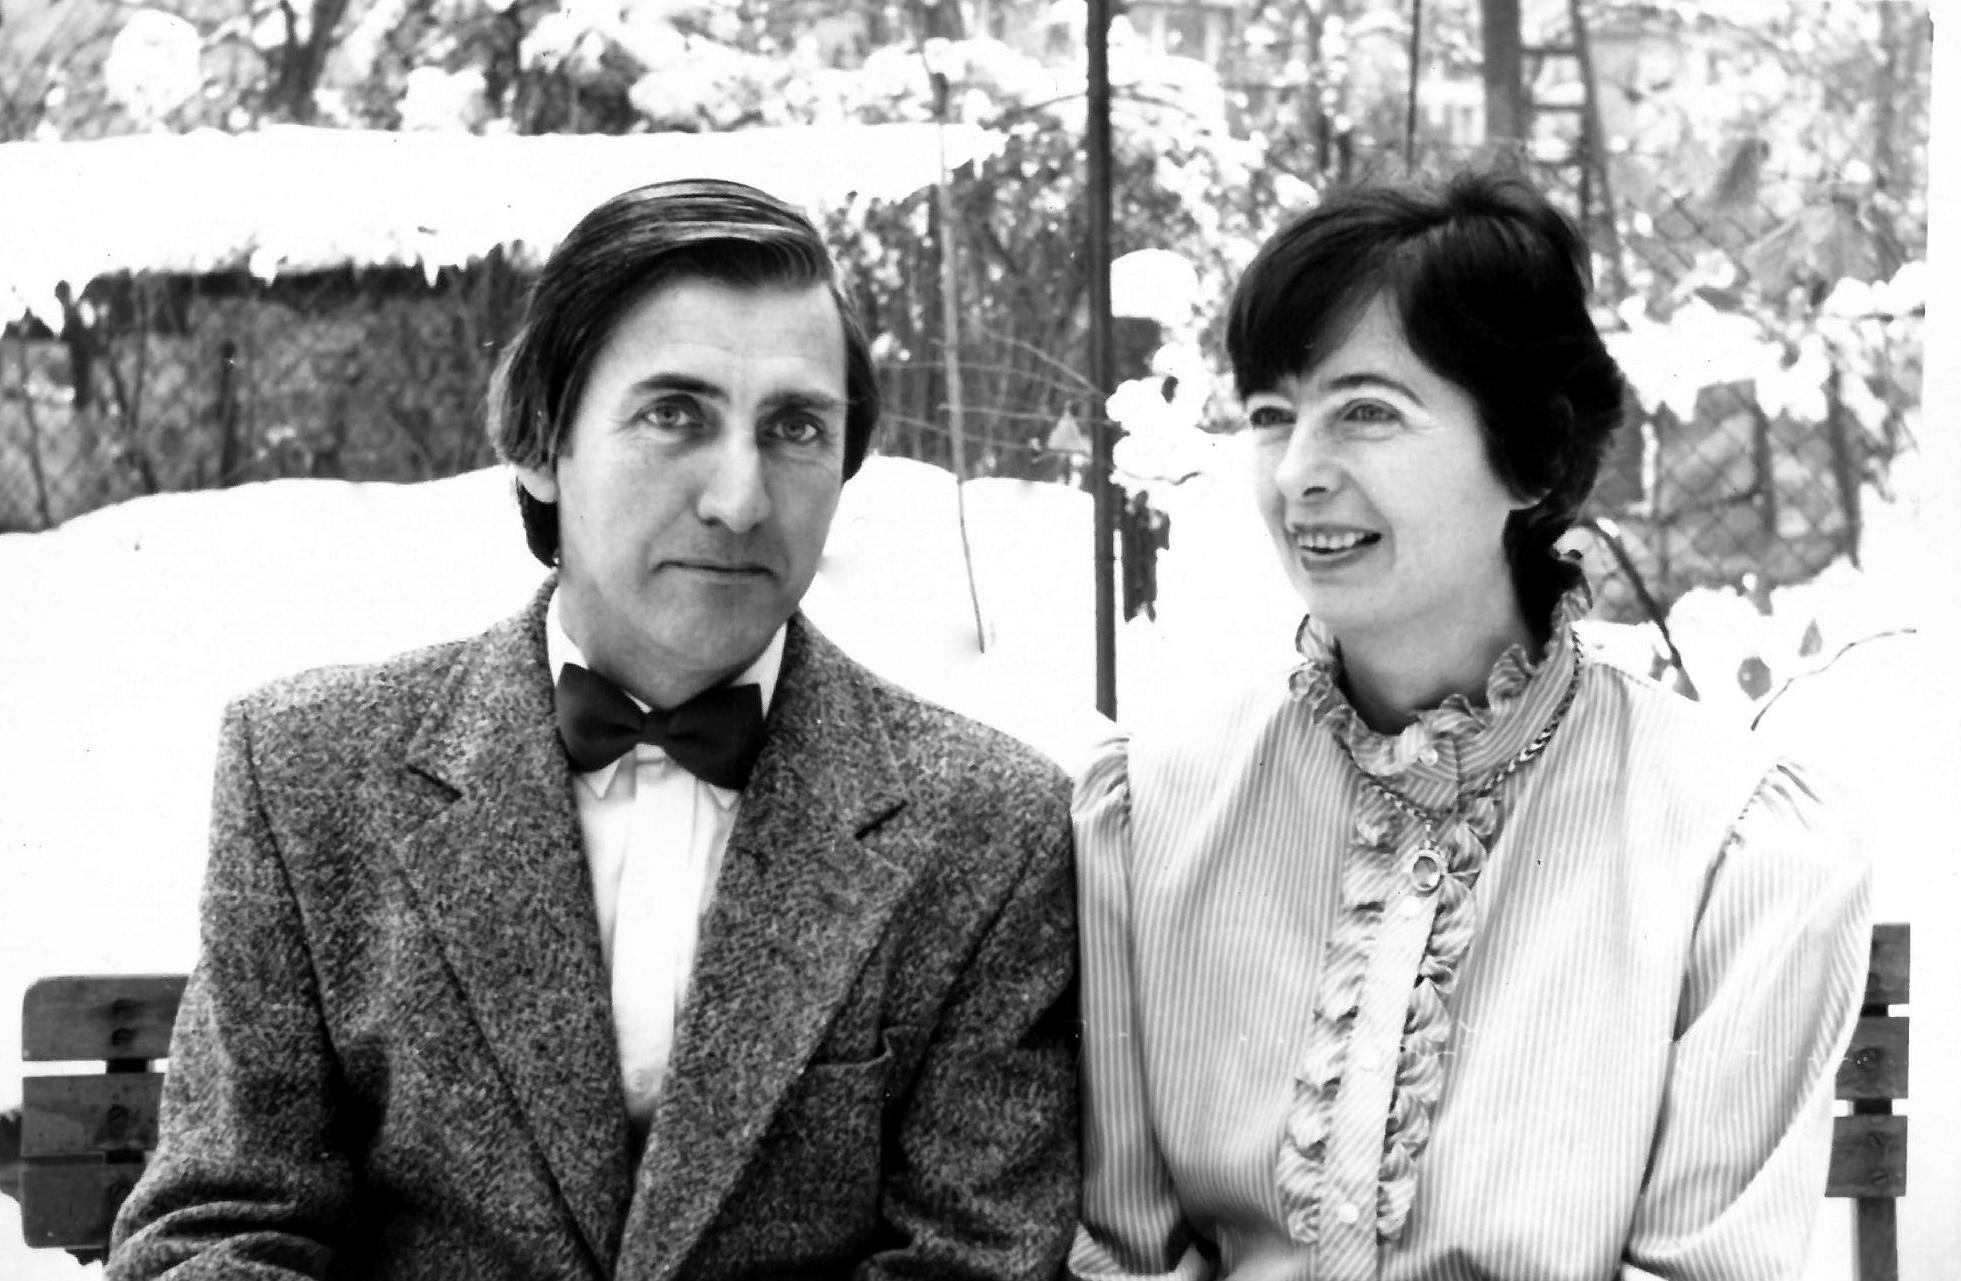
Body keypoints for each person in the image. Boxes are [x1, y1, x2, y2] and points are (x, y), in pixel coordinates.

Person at [109, 179, 1079, 1281]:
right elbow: (219, 1228)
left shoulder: (988, 828)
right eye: (674, 414)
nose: (740, 499)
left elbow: (970, 1263)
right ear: (538, 443)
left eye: (796, 428)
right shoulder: (307, 772)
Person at [1070, 171, 1871, 1280]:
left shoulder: (1730, 846)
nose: (1298, 473)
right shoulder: (1151, 812)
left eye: (1365, 411)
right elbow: (1120, 1255)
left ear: (1531, 451)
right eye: (1269, 416)